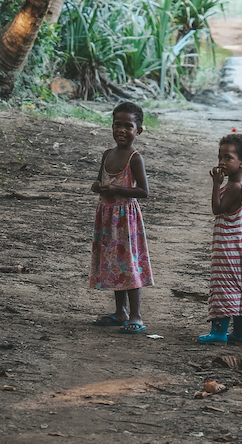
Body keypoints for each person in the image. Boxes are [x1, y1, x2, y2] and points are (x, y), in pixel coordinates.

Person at [89, 100, 153, 335]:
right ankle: (120, 312)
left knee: (129, 267)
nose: (121, 130)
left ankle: (135, 314)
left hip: (126, 220)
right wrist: (98, 187)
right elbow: (102, 181)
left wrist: (116, 190)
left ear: (139, 131)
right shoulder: (107, 154)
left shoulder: (134, 158)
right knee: (116, 266)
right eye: (117, 125)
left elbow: (143, 191)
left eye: (128, 126)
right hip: (107, 219)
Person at [199, 132, 242, 345]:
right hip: (236, 249)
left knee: (223, 288)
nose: (222, 162)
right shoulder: (233, 186)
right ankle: (239, 333)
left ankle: (219, 332)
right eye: (220, 157)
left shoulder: (234, 187)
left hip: (229, 250)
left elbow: (216, 209)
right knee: (238, 288)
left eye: (228, 158)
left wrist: (215, 184)